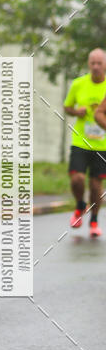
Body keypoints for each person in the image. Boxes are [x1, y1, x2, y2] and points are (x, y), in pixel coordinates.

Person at [63, 49, 106, 237]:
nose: (96, 66)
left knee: (97, 185)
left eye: (99, 63)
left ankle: (94, 220)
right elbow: (66, 107)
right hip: (80, 140)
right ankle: (80, 205)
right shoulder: (78, 84)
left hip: (102, 145)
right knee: (77, 178)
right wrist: (76, 112)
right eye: (92, 63)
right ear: (89, 64)